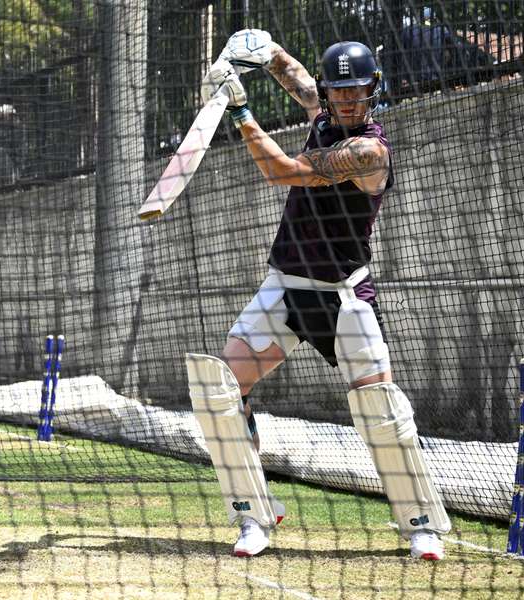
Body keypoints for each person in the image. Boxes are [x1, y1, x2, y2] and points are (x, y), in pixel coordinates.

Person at [186, 29, 450, 560]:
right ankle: (253, 518)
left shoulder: (368, 151)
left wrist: (239, 109)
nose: (347, 99)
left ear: (374, 89)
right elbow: (297, 78)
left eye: (357, 91)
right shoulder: (323, 112)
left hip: (345, 297)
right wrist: (258, 48)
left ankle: (420, 525)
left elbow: (280, 171)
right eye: (338, 91)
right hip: (286, 287)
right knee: (219, 391)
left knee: (381, 411)